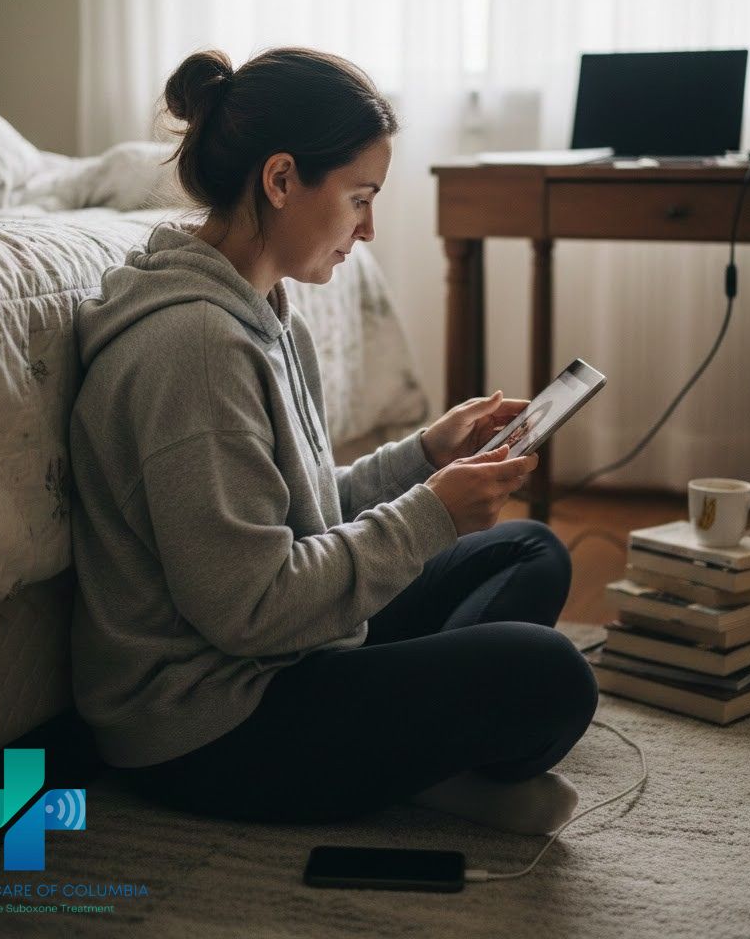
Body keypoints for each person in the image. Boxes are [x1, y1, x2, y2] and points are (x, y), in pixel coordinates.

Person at [68, 45, 598, 838]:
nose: (368, 229)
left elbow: (299, 520)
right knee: (549, 674)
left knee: (529, 550)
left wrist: (425, 457)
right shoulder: (196, 351)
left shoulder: (265, 316)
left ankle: (415, 758)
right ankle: (424, 765)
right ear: (281, 180)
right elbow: (252, 609)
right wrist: (431, 515)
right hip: (212, 722)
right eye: (359, 199)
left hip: (292, 652)